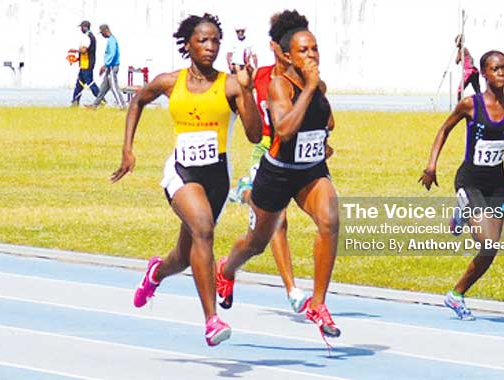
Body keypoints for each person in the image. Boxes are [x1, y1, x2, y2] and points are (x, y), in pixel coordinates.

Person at [111, 13, 262, 347]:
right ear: (187, 44)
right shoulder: (170, 82)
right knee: (204, 229)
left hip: (217, 179)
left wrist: (248, 92)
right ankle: (211, 320)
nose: (210, 48)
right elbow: (138, 100)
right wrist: (128, 150)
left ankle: (156, 272)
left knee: (183, 254)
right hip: (181, 172)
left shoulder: (231, 85)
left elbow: (254, 135)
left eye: (215, 42)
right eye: (202, 41)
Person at [215, 9, 342, 344]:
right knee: (256, 244)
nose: (312, 55)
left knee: (330, 220)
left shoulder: (319, 84)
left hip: (311, 170)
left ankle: (318, 304)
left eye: (315, 49)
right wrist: (311, 87)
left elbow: (327, 123)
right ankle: (226, 269)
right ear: (287, 55)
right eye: (304, 50)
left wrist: (322, 135)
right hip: (278, 173)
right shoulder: (278, 86)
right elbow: (283, 130)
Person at [419, 50, 504, 321]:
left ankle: (456, 295)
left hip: (497, 184)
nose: (501, 73)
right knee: (485, 239)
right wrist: (431, 165)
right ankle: (464, 210)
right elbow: (444, 129)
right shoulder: (470, 104)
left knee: (491, 248)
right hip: (470, 180)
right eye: (495, 68)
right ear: (484, 74)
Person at [227, 12, 323, 315]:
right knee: (276, 223)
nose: (305, 54)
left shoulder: (312, 80)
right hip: (269, 152)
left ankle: (245, 191)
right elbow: (253, 130)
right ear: (279, 49)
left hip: (300, 157)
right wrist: (245, 88)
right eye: (296, 47)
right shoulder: (263, 77)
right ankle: (292, 289)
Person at [87, 24, 126, 109]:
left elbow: (112, 54)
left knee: (114, 88)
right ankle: (94, 105)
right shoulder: (111, 40)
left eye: (102, 33)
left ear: (105, 31)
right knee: (103, 88)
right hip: (109, 67)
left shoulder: (112, 40)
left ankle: (122, 106)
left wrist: (106, 65)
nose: (102, 35)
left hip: (112, 66)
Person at [69, 20, 99, 106]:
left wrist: (74, 50)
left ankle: (101, 100)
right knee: (79, 83)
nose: (81, 29)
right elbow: (86, 53)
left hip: (87, 64)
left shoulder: (88, 37)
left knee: (90, 82)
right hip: (84, 64)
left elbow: (84, 50)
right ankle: (75, 101)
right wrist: (77, 59)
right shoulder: (88, 36)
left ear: (85, 27)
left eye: (81, 27)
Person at [455, 34, 480, 101]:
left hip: (469, 71)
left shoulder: (462, 49)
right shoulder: (463, 50)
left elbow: (456, 61)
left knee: (459, 90)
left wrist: (459, 42)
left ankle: (459, 108)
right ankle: (482, 107)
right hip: (474, 71)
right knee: (477, 91)